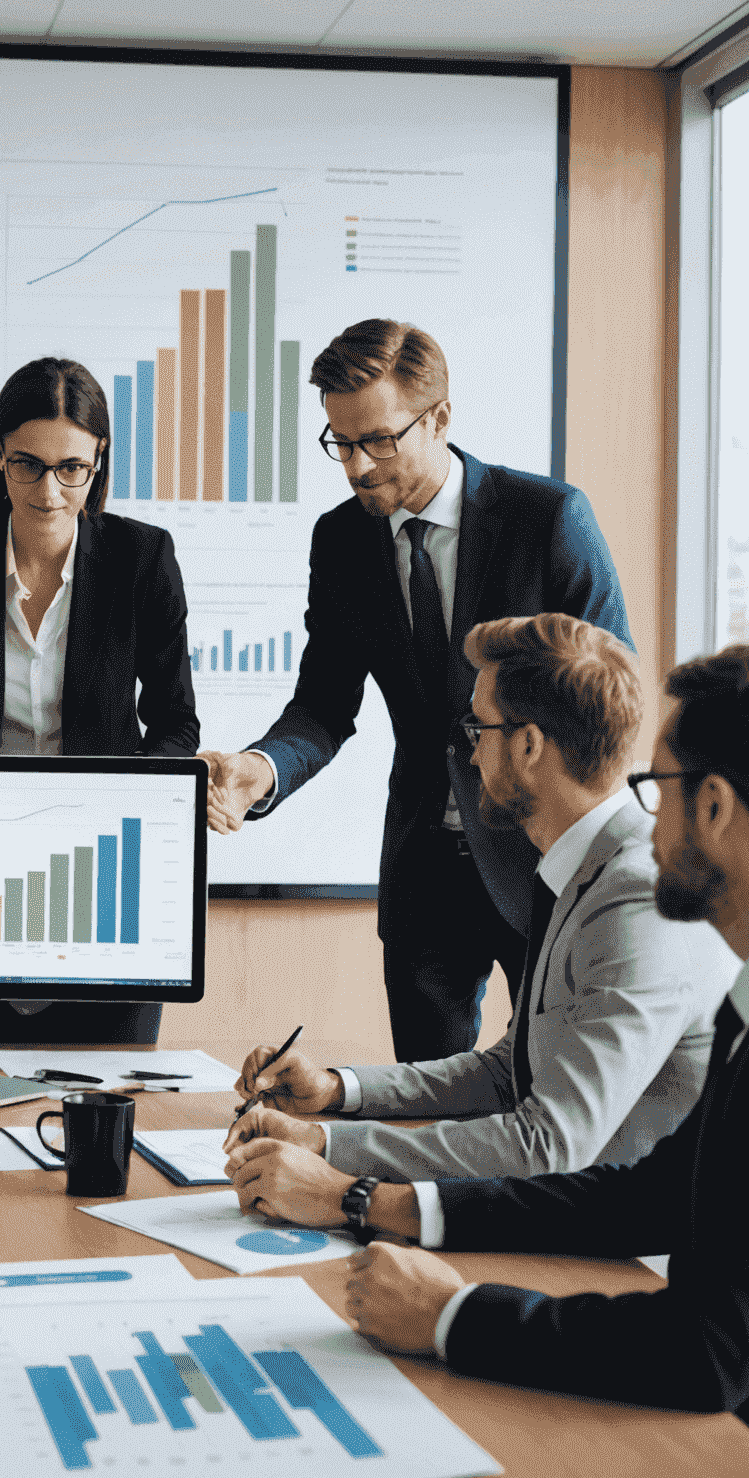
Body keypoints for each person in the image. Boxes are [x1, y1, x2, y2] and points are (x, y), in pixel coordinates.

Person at [227, 643, 749, 1431]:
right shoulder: (738, 996)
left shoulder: (633, 899)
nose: (648, 825)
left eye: (660, 789)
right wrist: (364, 1172)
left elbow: (712, 1351)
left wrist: (453, 1314)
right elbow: (652, 1192)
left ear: (712, 806)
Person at [199, 319, 631, 1062]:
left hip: (543, 867)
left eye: (379, 441)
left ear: (439, 419)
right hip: (423, 877)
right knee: (428, 1112)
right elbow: (324, 704)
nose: (357, 467)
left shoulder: (549, 520)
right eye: (341, 442)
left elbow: (609, 708)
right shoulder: (341, 541)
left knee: (552, 1100)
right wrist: (261, 771)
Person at [222, 614, 735, 1186]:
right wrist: (339, 1090)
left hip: (628, 1249)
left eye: (477, 730)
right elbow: (508, 1072)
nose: (468, 758)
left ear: (528, 745)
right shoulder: (580, 867)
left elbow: (547, 1142)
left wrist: (327, 1147)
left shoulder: (635, 896)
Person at [0, 357, 199, 1044]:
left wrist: (135, 795)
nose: (49, 491)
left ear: (98, 459)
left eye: (71, 468)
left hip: (103, 860)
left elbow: (176, 724)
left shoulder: (144, 558)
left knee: (106, 1068)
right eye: (27, 464)